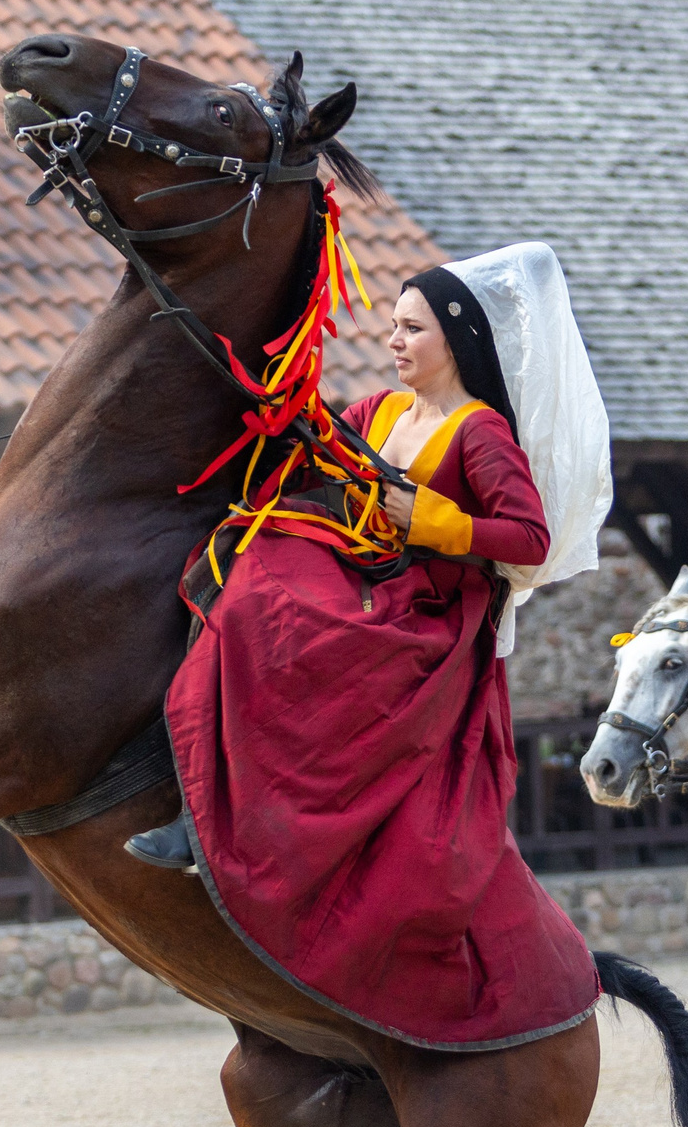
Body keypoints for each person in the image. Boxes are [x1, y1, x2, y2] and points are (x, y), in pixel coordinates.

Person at [133, 244, 612, 1048]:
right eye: (392, 325)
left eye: (411, 328)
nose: (394, 341)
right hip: (364, 579)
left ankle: (236, 821)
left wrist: (429, 517)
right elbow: (325, 450)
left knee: (271, 604)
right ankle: (205, 794)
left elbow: (527, 540)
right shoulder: (382, 412)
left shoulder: (479, 432)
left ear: (454, 342)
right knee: (251, 576)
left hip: (425, 610)